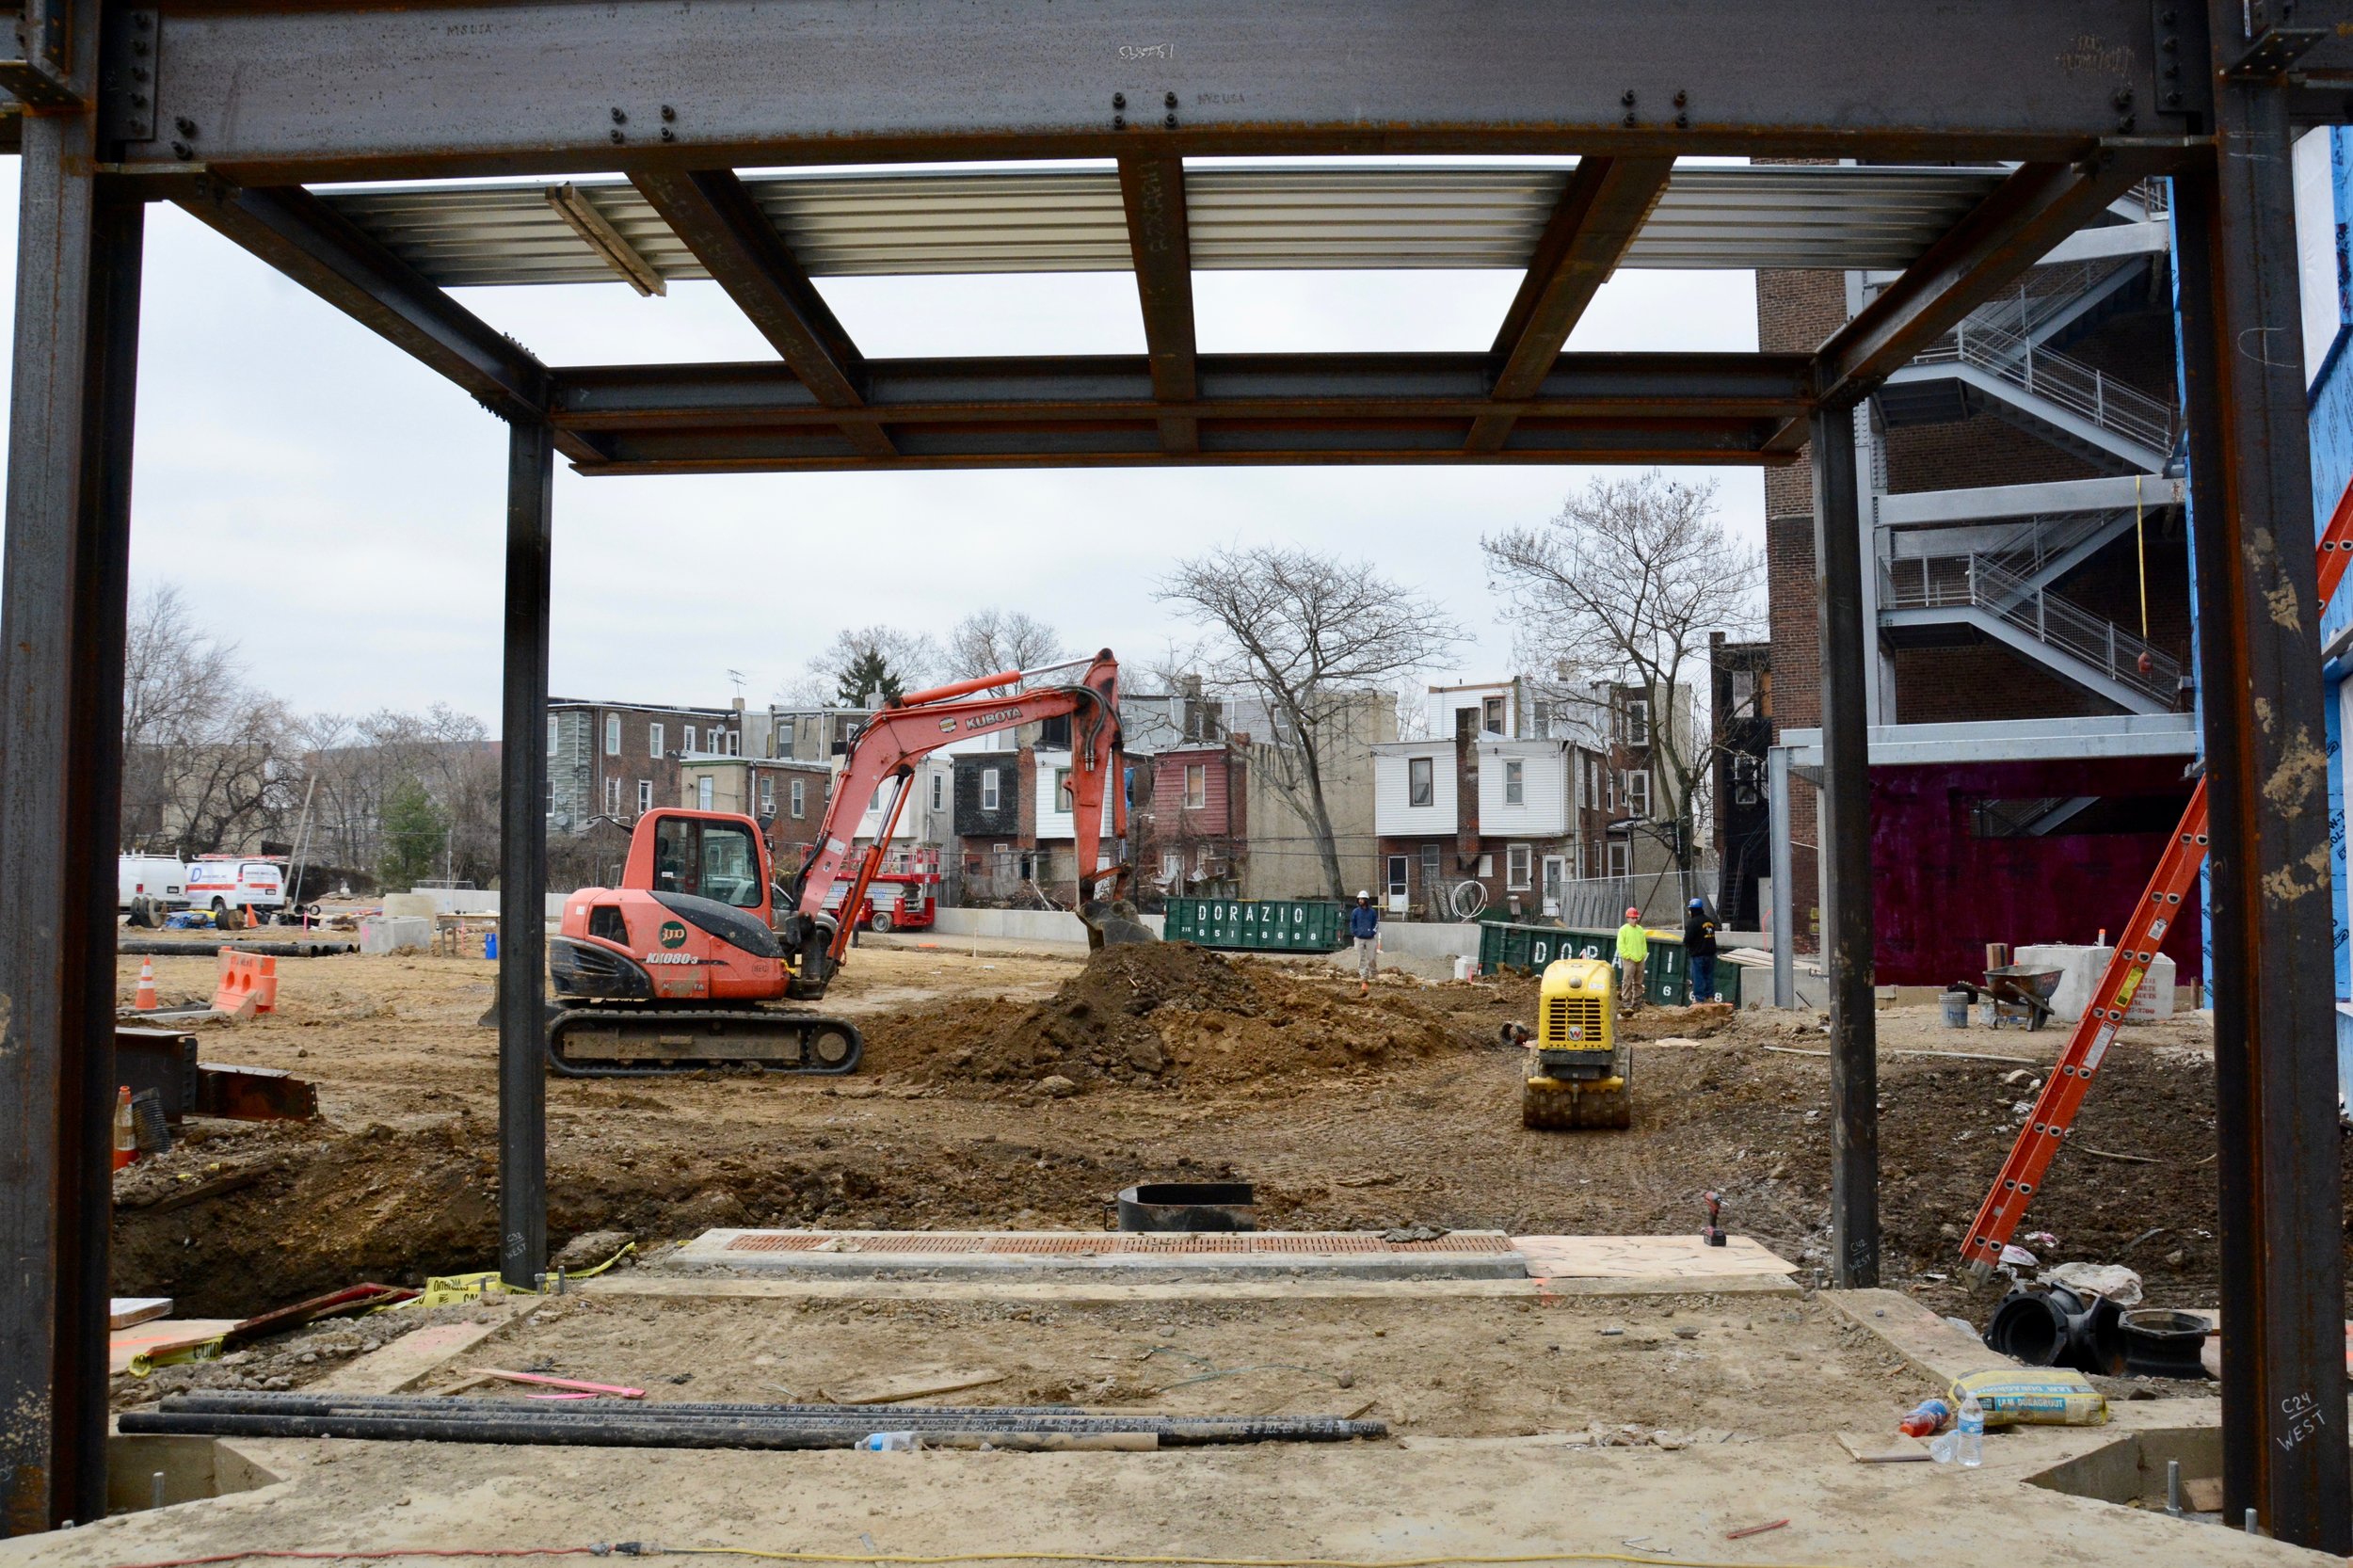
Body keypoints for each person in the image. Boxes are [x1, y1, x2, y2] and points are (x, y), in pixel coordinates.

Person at [1685, 897, 1720, 1003]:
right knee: (1709, 976)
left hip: (1698, 955)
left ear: (1693, 910)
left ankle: (1699, 999)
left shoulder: (1693, 923)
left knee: (1698, 977)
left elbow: (1687, 939)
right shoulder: (1709, 921)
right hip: (1710, 954)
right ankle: (1710, 997)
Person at [1614, 905, 1648, 1015]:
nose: (1634, 920)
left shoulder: (1640, 930)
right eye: (1632, 918)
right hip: (1629, 960)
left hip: (1639, 959)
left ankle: (1637, 1001)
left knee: (1638, 982)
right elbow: (1620, 944)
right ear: (1627, 918)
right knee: (1627, 981)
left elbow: (1643, 944)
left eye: (1635, 918)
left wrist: (1643, 955)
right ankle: (1626, 1002)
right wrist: (1627, 955)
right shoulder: (1623, 930)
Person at [1348, 890, 1381, 997]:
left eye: (1362, 899)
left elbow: (1376, 923)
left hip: (1370, 938)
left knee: (1372, 958)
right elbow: (1352, 924)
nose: (1360, 901)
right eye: (1359, 899)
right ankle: (1364, 976)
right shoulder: (1355, 912)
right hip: (1359, 938)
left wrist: (1372, 932)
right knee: (1361, 958)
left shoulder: (1372, 912)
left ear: (1366, 900)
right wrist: (1356, 933)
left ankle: (1374, 974)